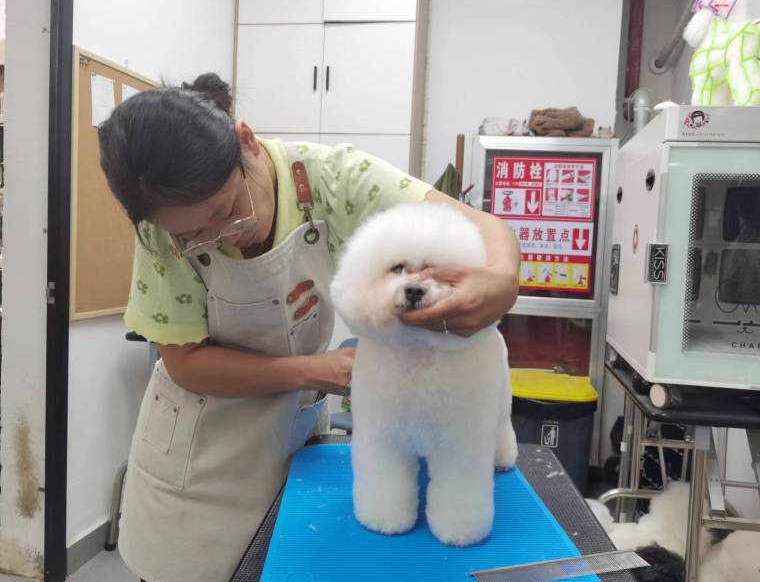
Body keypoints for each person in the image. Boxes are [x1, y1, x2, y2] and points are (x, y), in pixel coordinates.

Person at [98, 73, 520, 582]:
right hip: (195, 453)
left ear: (247, 143)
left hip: (292, 439)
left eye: (225, 211)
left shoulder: (335, 178)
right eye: (192, 235)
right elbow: (184, 362)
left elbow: (484, 226)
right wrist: (313, 369)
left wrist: (500, 282)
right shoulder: (158, 232)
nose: (218, 236)